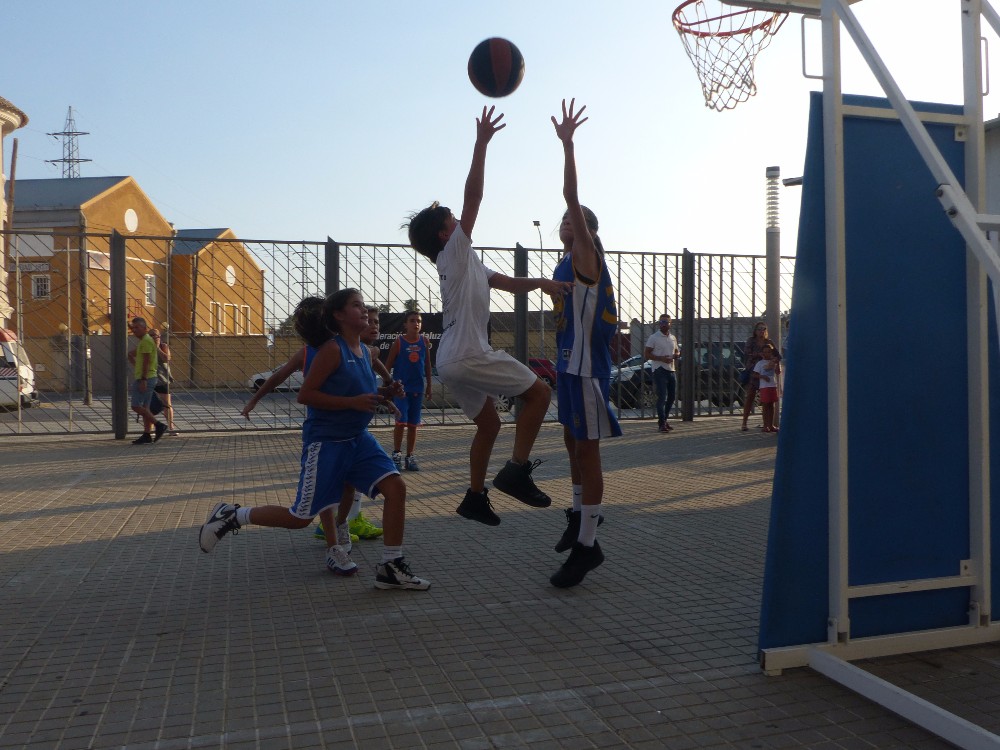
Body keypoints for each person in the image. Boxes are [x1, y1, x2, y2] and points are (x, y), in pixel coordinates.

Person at [403, 105, 571, 526]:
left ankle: (475, 496)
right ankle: (515, 471)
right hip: (467, 354)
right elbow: (473, 198)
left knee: (490, 425)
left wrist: (543, 284)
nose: (460, 222)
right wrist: (481, 143)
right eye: (453, 221)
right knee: (539, 395)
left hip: (451, 361)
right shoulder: (454, 251)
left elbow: (507, 283)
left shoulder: (466, 263)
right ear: (446, 233)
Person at [200, 288, 429, 590]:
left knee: (396, 487)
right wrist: (352, 402)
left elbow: (358, 394)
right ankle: (233, 515)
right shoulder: (332, 351)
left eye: (364, 307)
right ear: (338, 315)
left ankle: (391, 566)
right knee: (300, 518)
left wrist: (385, 394)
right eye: (357, 306)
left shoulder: (364, 350)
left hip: (358, 440)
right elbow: (306, 395)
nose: (365, 312)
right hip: (327, 444)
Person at [548, 98, 621, 588]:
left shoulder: (588, 259)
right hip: (567, 367)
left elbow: (573, 195)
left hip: (589, 369)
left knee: (588, 450)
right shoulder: (560, 266)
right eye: (565, 222)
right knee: (572, 441)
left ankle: (589, 545)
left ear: (589, 234)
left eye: (574, 221)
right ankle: (577, 515)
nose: (567, 223)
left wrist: (569, 146)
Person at [384, 310, 432, 472]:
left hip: (417, 389)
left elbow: (427, 366)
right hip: (401, 390)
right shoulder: (399, 342)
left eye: (418, 321)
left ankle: (410, 456)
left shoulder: (424, 342)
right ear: (405, 324)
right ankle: (396, 454)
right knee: (401, 422)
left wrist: (429, 386)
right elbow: (387, 365)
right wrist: (388, 387)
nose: (416, 323)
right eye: (412, 320)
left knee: (413, 425)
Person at [129, 317, 167, 444]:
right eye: (133, 328)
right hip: (148, 377)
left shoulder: (145, 341)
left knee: (136, 405)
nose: (134, 330)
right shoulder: (144, 341)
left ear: (145, 329)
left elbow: (146, 361)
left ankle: (158, 425)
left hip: (146, 378)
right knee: (146, 407)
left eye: (137, 328)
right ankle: (147, 434)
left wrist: (143, 379)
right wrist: (137, 366)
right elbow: (131, 355)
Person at [741, 321, 782, 432]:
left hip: (767, 374)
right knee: (750, 396)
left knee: (769, 400)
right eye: (759, 329)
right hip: (754, 371)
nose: (761, 331)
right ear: (755, 330)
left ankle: (769, 424)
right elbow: (746, 353)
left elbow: (778, 355)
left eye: (763, 329)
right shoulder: (751, 341)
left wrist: (776, 365)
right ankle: (744, 422)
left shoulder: (769, 342)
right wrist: (759, 354)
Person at [644, 314, 680, 433]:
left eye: (665, 322)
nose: (663, 324)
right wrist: (660, 358)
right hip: (659, 369)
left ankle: (664, 420)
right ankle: (661, 423)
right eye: (661, 322)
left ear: (670, 323)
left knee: (671, 397)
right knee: (662, 397)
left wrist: (676, 355)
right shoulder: (654, 337)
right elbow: (647, 354)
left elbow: (676, 351)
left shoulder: (673, 338)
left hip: (671, 369)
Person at [150, 329, 178, 436]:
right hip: (150, 378)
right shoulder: (146, 346)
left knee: (167, 404)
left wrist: (157, 348)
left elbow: (167, 359)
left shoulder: (163, 346)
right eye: (151, 335)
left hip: (162, 379)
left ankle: (171, 427)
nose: (153, 337)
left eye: (155, 336)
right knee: (149, 404)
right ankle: (150, 428)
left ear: (159, 337)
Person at [752, 343, 780, 433]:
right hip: (764, 386)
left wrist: (777, 363)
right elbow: (754, 374)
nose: (766, 354)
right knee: (765, 405)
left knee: (772, 405)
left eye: (768, 352)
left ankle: (771, 425)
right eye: (764, 352)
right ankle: (765, 425)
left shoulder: (772, 362)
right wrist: (763, 376)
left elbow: (778, 372)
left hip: (772, 385)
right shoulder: (760, 363)